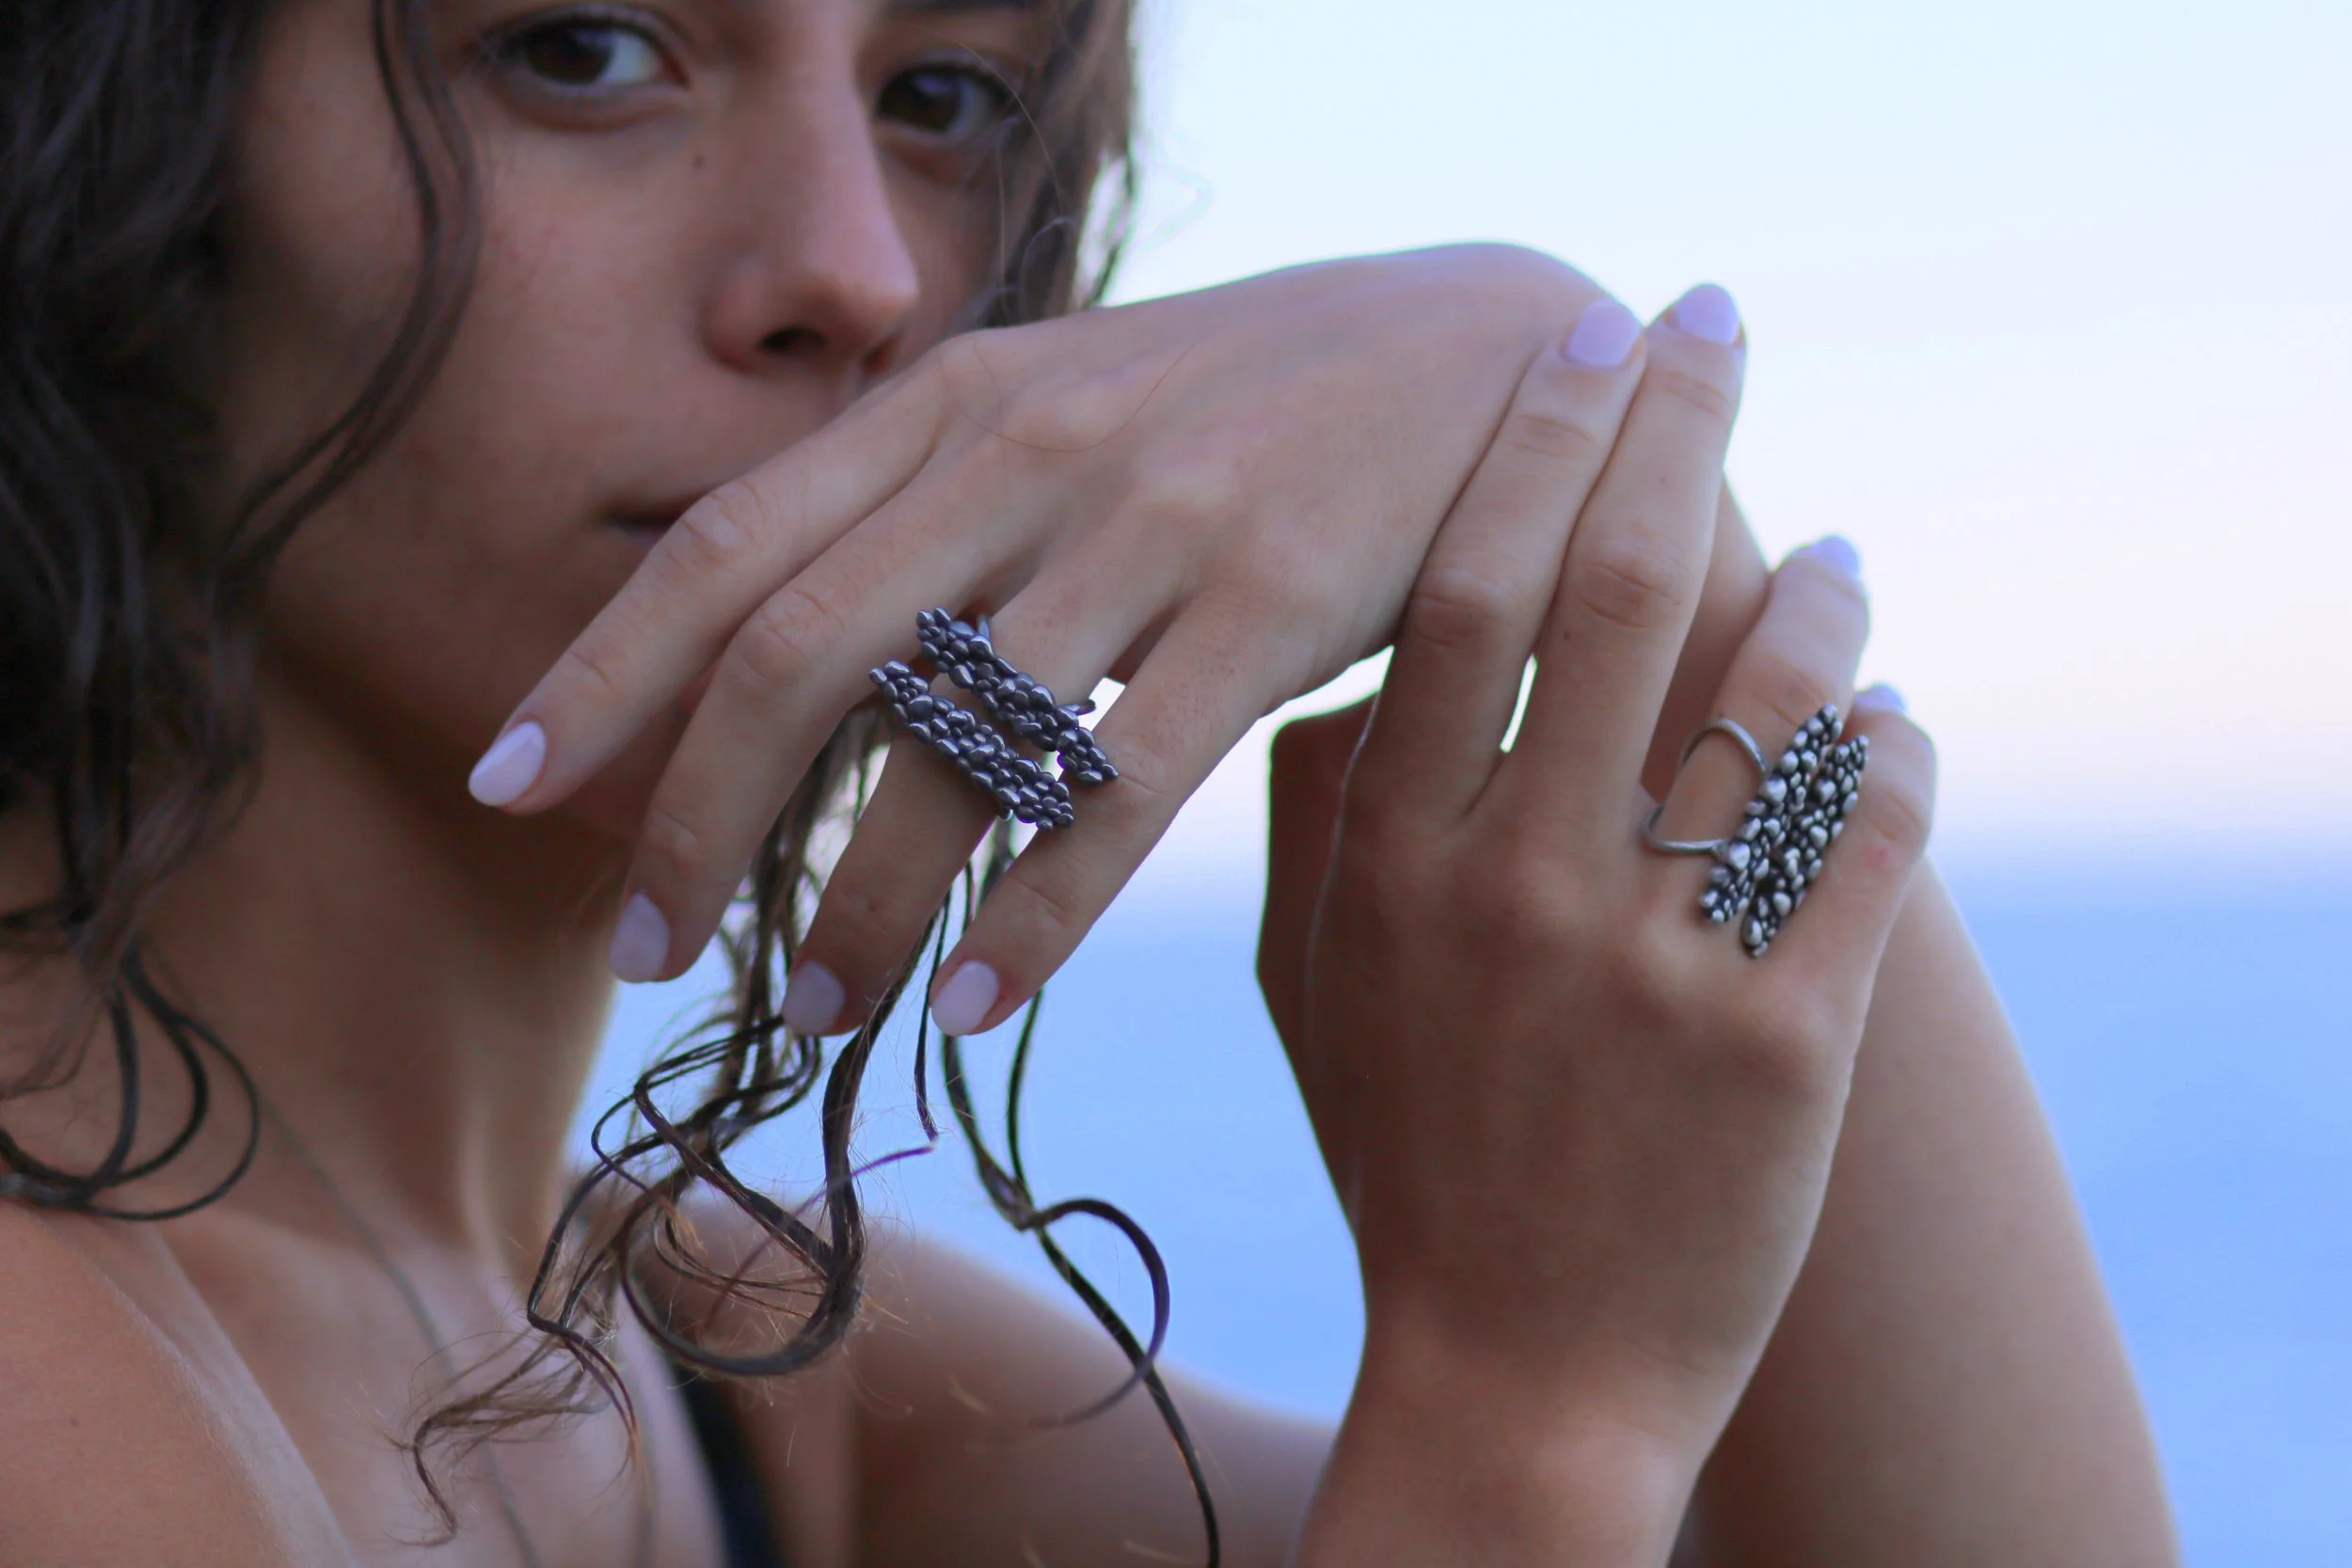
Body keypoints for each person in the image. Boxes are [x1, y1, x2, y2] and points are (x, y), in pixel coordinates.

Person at [0, 1, 2177, 1563]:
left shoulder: (706, 1342)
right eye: (580, 50)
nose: (852, 268)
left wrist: (1608, 481)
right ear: (121, 137)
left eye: (944, 95)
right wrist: (1528, 1408)